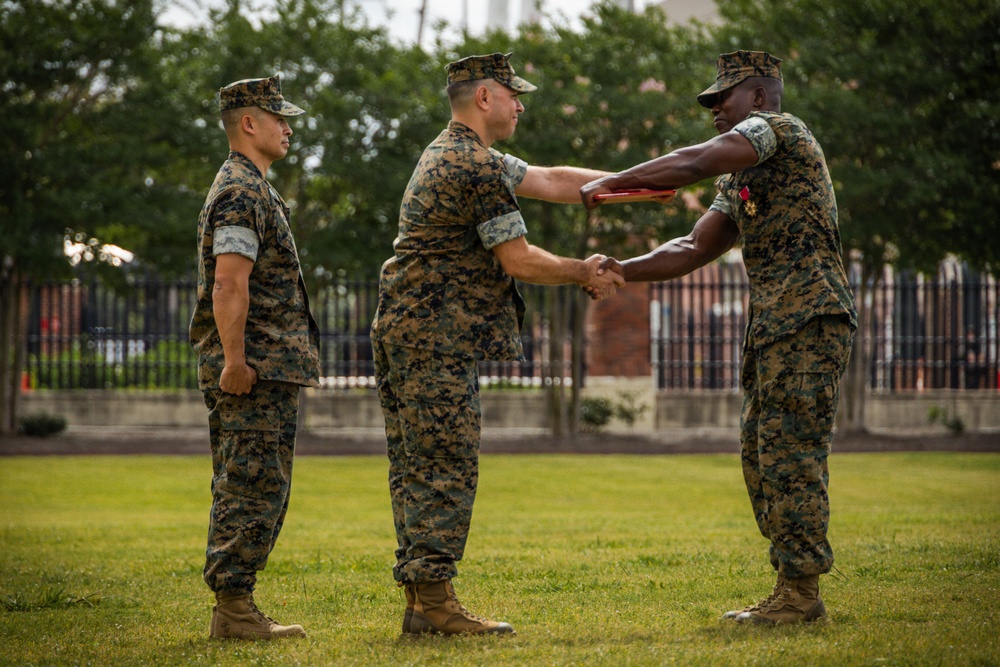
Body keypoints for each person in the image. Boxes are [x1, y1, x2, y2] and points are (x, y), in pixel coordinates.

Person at [581, 51, 858, 625]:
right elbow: (693, 247)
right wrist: (624, 269)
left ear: (758, 97)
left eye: (721, 99)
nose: (713, 111)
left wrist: (616, 182)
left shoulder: (780, 131)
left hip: (809, 318)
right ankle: (791, 585)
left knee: (792, 453)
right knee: (761, 454)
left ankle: (801, 594)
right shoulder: (743, 176)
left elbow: (693, 162)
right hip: (774, 325)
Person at [370, 52, 623, 636]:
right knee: (443, 464)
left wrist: (634, 183)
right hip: (432, 335)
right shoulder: (471, 166)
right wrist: (584, 270)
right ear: (485, 97)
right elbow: (519, 259)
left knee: (418, 464)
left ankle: (422, 600)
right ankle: (434, 603)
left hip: (412, 329)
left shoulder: (459, 152)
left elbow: (554, 180)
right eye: (514, 94)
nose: (521, 104)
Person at [189, 75, 321, 640]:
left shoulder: (251, 187)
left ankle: (236, 608)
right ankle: (235, 611)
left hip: (266, 367)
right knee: (250, 483)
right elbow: (228, 283)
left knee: (257, 482)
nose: (288, 127)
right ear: (249, 123)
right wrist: (235, 361)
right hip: (252, 371)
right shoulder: (241, 191)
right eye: (278, 117)